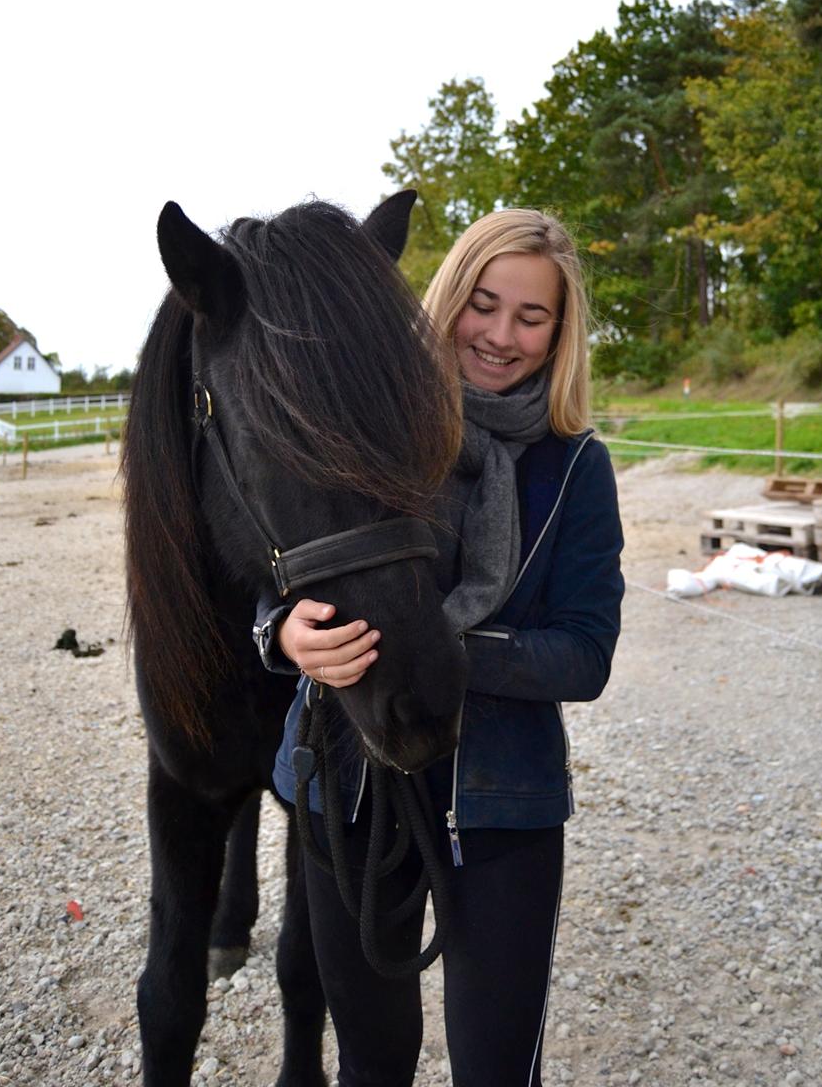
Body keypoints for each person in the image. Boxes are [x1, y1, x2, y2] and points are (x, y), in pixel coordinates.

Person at [271, 208, 625, 1087]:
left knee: (497, 1072)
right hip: (345, 787)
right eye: (482, 303)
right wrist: (277, 633)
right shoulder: (358, 430)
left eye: (531, 316)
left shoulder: (576, 467)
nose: (500, 335)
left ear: (558, 333)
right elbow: (268, 573)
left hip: (500, 804)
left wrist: (437, 652)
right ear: (445, 301)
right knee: (370, 1064)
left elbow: (583, 656)